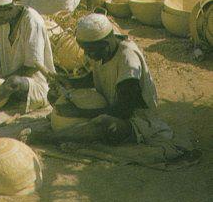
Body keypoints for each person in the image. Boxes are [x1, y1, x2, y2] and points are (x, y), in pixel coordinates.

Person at [27, 14, 189, 158]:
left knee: (104, 124)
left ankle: (52, 138)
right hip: (109, 104)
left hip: (137, 121)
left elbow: (123, 110)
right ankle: (72, 131)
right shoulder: (101, 50)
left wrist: (80, 112)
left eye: (89, 51)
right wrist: (69, 82)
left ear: (105, 44)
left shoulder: (128, 59)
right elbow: (96, 75)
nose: (87, 55)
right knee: (54, 96)